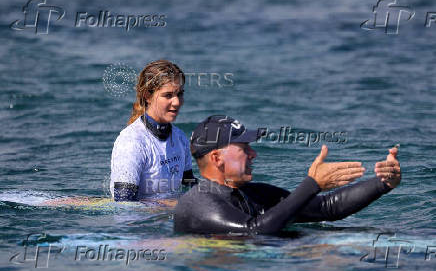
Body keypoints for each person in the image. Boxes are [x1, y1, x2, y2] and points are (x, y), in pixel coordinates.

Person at [174, 115, 401, 234]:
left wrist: (383, 184)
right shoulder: (197, 202)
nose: (253, 154)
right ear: (216, 158)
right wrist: (312, 184)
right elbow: (255, 231)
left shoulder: (254, 193)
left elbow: (327, 208)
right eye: (244, 148)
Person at [110, 60, 195, 202]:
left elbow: (189, 186)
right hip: (138, 223)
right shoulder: (131, 142)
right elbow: (124, 206)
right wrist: (170, 207)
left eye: (179, 94)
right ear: (147, 96)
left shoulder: (180, 137)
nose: (177, 102)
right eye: (168, 95)